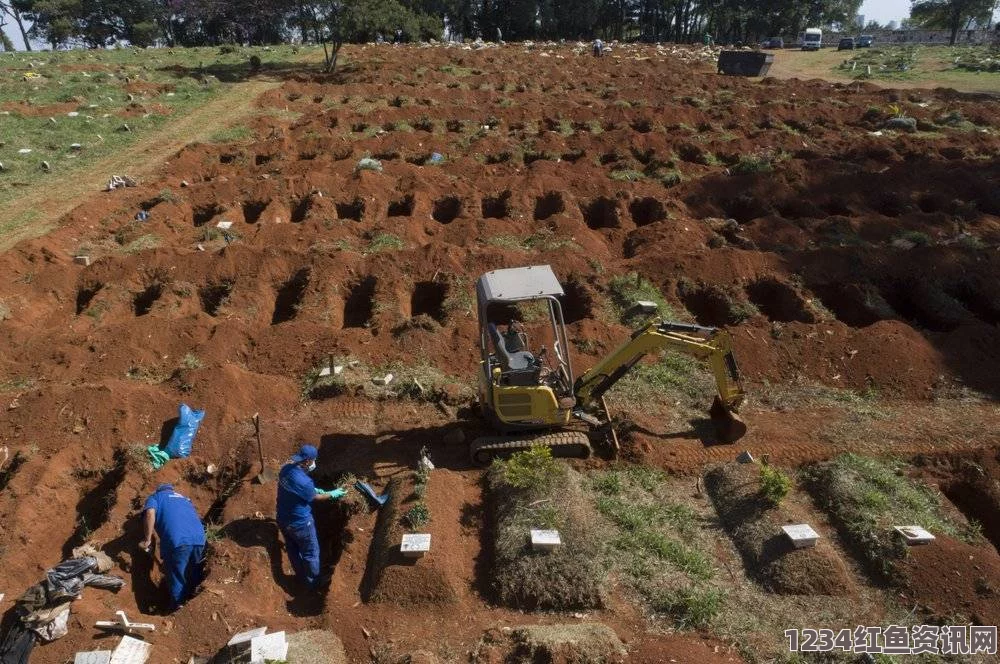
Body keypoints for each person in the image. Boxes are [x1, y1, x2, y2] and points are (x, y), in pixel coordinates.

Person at [276, 444, 345, 589]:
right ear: (307, 461)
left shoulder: (285, 469)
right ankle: (314, 583)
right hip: (300, 523)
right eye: (313, 460)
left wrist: (313, 489)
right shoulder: (305, 482)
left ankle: (301, 577)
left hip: (282, 518)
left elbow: (295, 488)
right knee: (311, 552)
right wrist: (333, 493)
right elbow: (316, 498)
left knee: (292, 548)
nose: (314, 463)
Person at [140, 484, 206, 611]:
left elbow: (150, 512)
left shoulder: (156, 497)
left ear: (158, 490)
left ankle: (178, 608)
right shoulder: (184, 499)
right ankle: (194, 605)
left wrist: (148, 540)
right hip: (199, 539)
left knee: (177, 575)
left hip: (178, 541)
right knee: (194, 573)